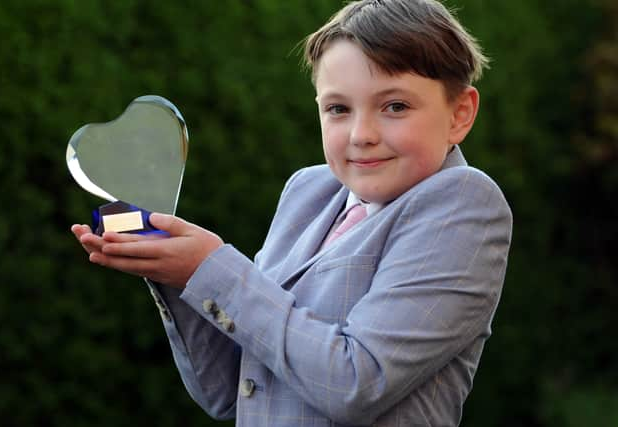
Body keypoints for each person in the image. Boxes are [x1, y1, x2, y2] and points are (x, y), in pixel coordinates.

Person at [72, 0, 512, 425]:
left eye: (395, 106)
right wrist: (179, 272)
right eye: (338, 109)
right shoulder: (309, 191)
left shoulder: (463, 202)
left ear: (459, 113)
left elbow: (357, 382)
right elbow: (229, 391)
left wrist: (212, 267)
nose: (361, 134)